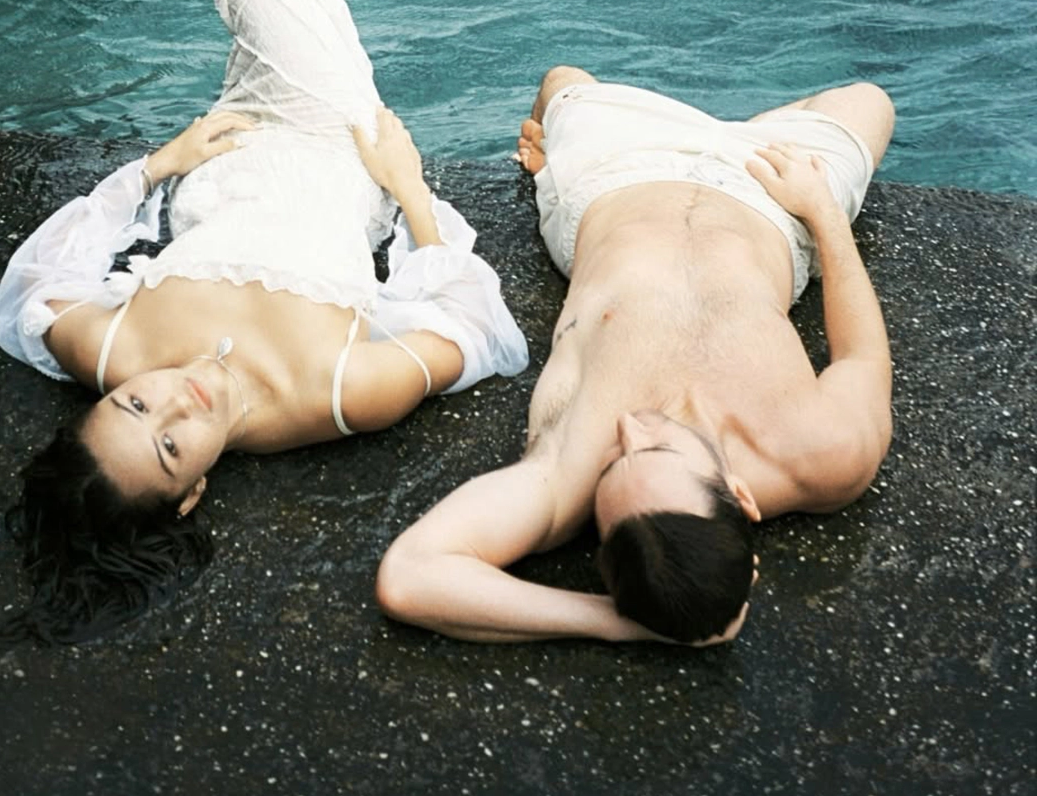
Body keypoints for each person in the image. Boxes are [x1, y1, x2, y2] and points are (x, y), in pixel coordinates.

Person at [0, 0, 528, 642]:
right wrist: (408, 185)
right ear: (191, 496)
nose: (175, 401)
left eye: (134, 404)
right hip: (339, 157)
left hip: (222, 157)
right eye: (171, 447)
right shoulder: (340, 396)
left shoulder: (110, 352)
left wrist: (159, 164)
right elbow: (469, 323)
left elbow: (38, 278)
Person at [374, 66, 895, 646]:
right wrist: (823, 213)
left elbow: (409, 576)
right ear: (739, 494)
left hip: (612, 173)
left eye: (614, 463)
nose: (626, 430)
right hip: (776, 204)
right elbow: (862, 358)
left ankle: (568, 162)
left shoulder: (564, 475)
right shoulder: (824, 454)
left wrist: (613, 620)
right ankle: (740, 130)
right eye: (657, 449)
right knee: (870, 100)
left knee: (563, 79)